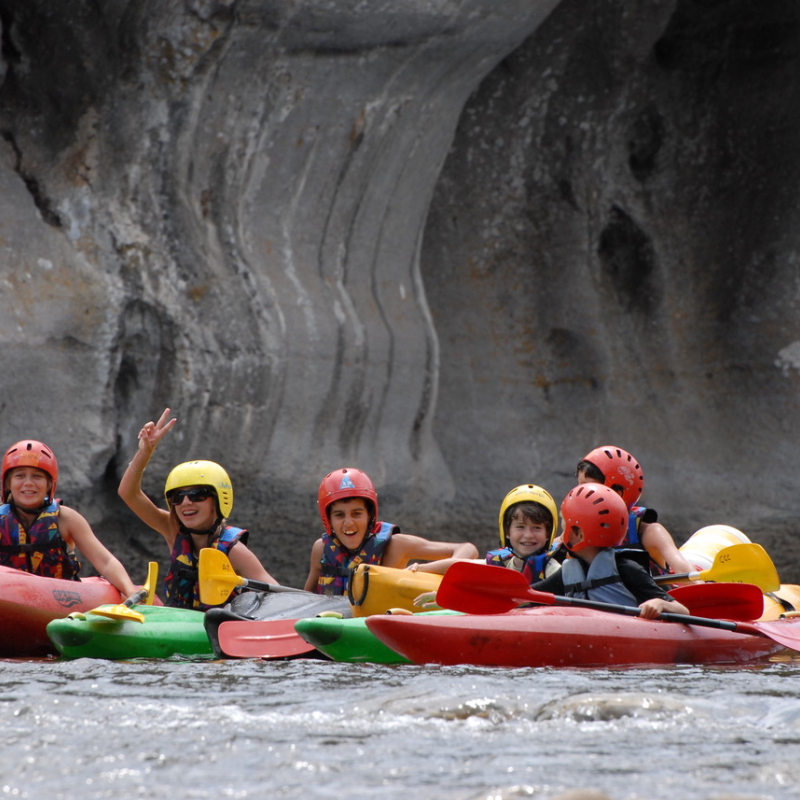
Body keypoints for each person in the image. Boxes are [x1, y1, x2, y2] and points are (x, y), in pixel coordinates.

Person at [119, 408, 278, 608]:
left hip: (218, 629)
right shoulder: (173, 531)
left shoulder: (234, 551)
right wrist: (144, 453)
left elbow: (274, 592)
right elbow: (128, 494)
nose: (186, 502)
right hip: (180, 624)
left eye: (197, 495)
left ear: (218, 501)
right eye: (178, 497)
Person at [303, 467, 479, 594]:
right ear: (328, 520)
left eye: (357, 514)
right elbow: (306, 600)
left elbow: (468, 549)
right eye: (339, 515)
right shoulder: (322, 549)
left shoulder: (396, 545)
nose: (348, 523)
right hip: (331, 627)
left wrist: (424, 569)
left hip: (378, 627)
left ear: (370, 516)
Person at [0, 439, 139, 598]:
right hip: (8, 597)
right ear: (7, 484)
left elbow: (105, 561)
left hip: (58, 599)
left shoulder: (65, 518)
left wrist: (129, 590)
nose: (28, 483)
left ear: (49, 485)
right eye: (20, 476)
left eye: (37, 476)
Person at [531, 482, 690, 619]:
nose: (561, 532)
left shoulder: (626, 569)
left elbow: (683, 611)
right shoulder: (567, 574)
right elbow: (528, 595)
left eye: (564, 523)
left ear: (579, 534)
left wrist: (660, 603)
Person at [575, 445, 694, 575]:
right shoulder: (576, 532)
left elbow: (685, 571)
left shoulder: (649, 532)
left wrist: (698, 582)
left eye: (590, 488)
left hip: (651, 595)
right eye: (579, 487)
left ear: (617, 493)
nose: (579, 493)